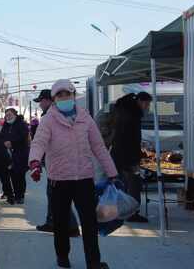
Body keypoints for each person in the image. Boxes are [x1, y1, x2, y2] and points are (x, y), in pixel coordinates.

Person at [29, 79, 118, 269]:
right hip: (59, 180)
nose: (64, 98)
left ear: (73, 95)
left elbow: (98, 147)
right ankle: (63, 257)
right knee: (61, 223)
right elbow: (39, 143)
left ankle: (93, 262)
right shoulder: (48, 120)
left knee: (89, 223)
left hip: (84, 179)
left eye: (67, 94)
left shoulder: (85, 118)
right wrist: (35, 162)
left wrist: (112, 172)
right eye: (59, 95)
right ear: (54, 99)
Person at [33, 89, 80, 237]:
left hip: (58, 162)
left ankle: (69, 226)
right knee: (54, 194)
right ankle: (53, 222)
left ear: (49, 100)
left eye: (41, 101)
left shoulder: (52, 117)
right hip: (57, 161)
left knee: (57, 194)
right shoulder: (55, 115)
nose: (40, 104)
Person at [110, 92, 153, 223]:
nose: (147, 107)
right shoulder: (132, 115)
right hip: (127, 157)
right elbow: (130, 139)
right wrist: (138, 155)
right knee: (134, 184)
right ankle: (132, 213)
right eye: (146, 103)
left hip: (120, 155)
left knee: (124, 185)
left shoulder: (125, 111)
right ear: (140, 101)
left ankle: (121, 211)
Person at [1, 108, 30, 204]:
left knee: (20, 175)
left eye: (10, 115)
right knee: (12, 175)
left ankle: (20, 195)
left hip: (20, 153)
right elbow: (2, 136)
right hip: (9, 154)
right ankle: (15, 194)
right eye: (6, 115)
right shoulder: (5, 125)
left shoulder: (21, 124)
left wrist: (12, 143)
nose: (8, 117)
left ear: (15, 115)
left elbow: (23, 137)